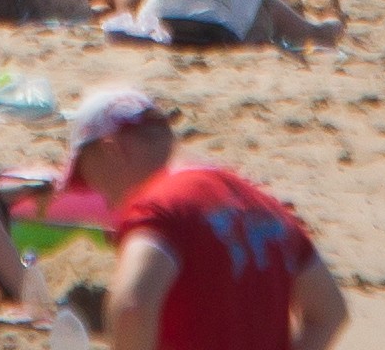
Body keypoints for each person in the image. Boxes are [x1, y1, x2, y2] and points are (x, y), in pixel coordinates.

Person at [66, 87, 346, 350]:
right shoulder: (265, 207)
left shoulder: (159, 207)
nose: (104, 199)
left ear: (113, 151)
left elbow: (133, 305)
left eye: (92, 179)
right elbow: (330, 312)